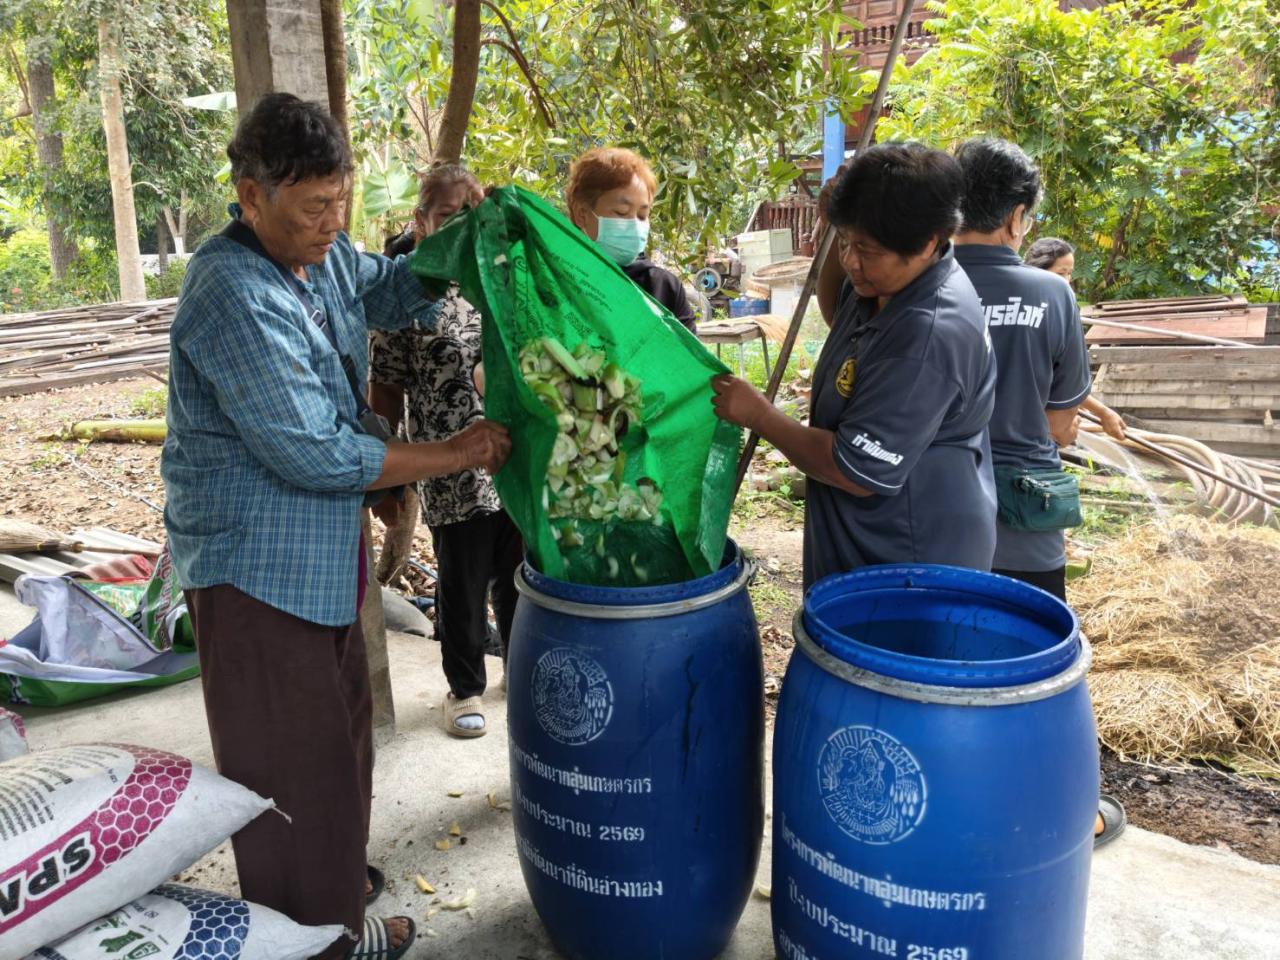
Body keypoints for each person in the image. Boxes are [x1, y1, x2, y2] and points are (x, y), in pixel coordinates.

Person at [162, 94, 510, 960]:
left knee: (340, 735)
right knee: (290, 765)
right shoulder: (231, 291)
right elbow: (314, 455)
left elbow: (392, 285)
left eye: (341, 200)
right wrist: (455, 451)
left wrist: (460, 240)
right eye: (314, 207)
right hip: (254, 567)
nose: (332, 222)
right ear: (250, 197)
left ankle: (330, 891)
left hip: (318, 557)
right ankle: (317, 941)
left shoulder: (318, 261)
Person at [710, 143, 997, 587]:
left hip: (908, 560)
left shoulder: (926, 335)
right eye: (844, 243)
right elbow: (835, 309)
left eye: (867, 250)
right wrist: (835, 226)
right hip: (863, 541)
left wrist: (759, 416)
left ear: (927, 242)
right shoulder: (888, 285)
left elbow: (852, 470)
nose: (850, 262)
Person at [953, 138, 1124, 848]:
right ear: (1019, 219)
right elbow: (1060, 425)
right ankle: (1064, 812)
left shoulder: (918, 285)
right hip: (1026, 519)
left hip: (939, 515)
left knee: (949, 660)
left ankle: (958, 805)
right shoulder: (1051, 294)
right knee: (1040, 670)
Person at [368, 163, 523, 738]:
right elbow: (384, 389)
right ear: (422, 219)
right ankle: (464, 689)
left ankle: (515, 667)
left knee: (517, 570)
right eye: (447, 214)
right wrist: (386, 477)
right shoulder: (403, 293)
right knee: (462, 577)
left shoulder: (500, 279)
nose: (459, 225)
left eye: (469, 214)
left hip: (513, 459)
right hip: (450, 465)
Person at [566, 146, 698, 332]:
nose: (635, 224)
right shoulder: (560, 280)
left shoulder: (664, 288)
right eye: (622, 212)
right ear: (581, 214)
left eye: (643, 215)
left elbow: (691, 358)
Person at [1025, 237, 1127, 441]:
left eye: (1069, 274)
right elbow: (1065, 384)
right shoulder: (1051, 310)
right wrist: (1099, 414)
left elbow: (1064, 379)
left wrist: (1102, 413)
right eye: (1060, 273)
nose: (1066, 281)